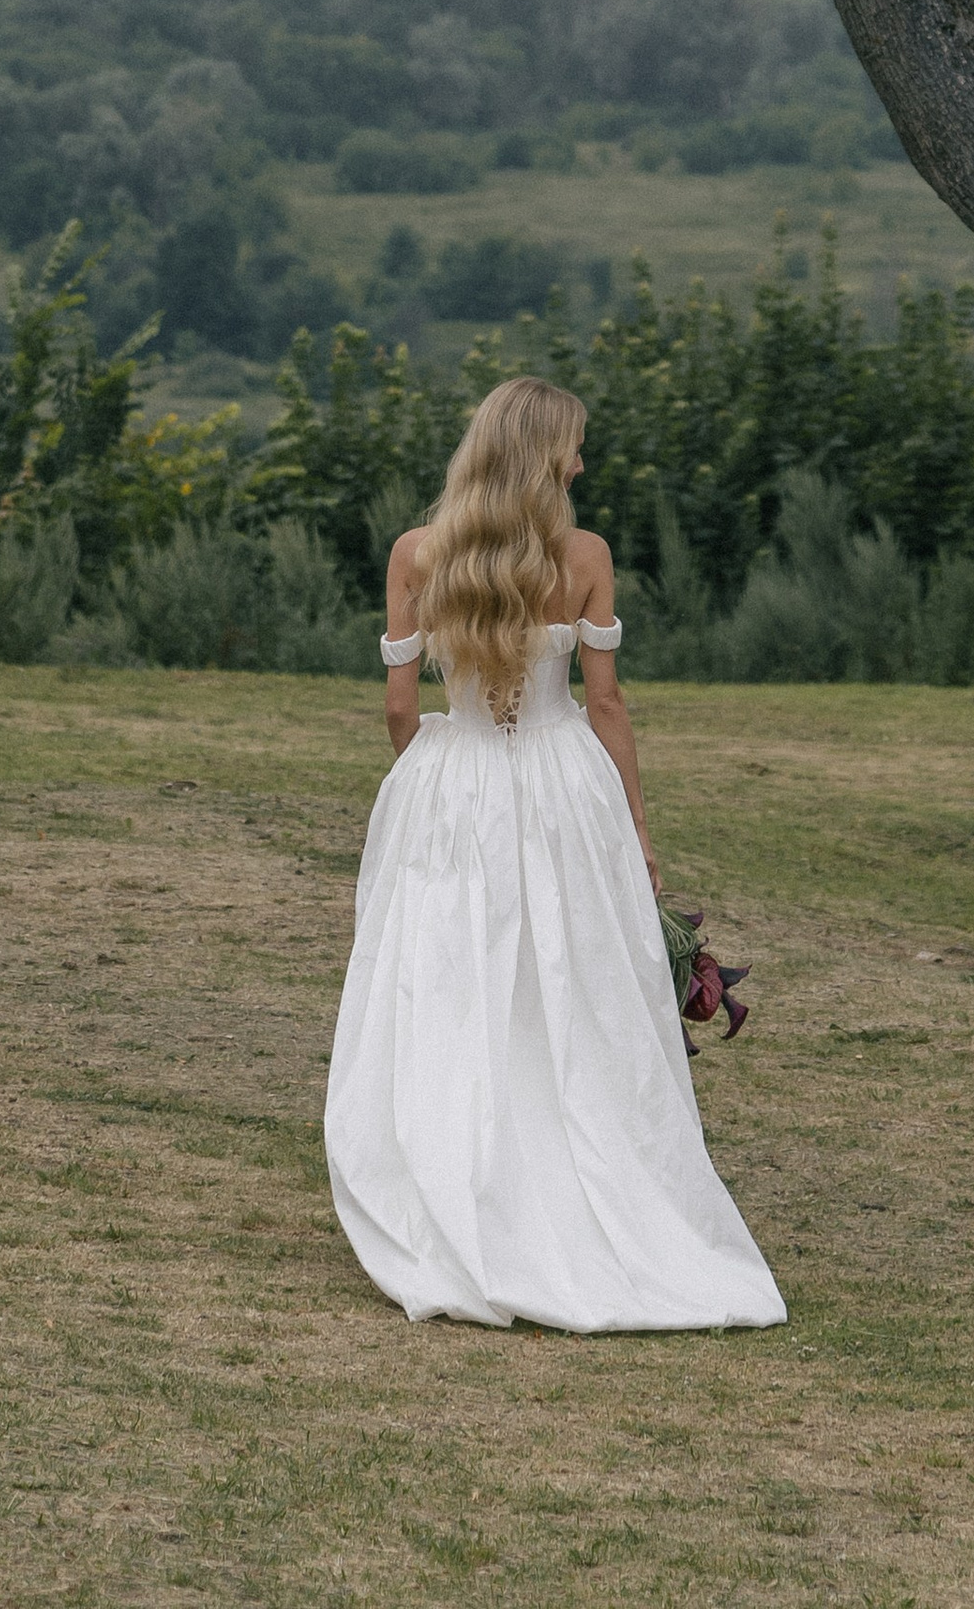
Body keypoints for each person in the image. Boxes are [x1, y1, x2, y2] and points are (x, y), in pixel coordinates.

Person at [323, 374, 786, 1333]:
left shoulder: (417, 554)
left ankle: (457, 1180)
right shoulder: (584, 557)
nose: (582, 461)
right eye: (574, 446)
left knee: (446, 980)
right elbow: (605, 701)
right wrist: (639, 830)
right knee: (569, 979)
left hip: (451, 781)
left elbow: (400, 706)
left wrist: (433, 786)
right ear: (543, 456)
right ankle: (582, 1175)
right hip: (562, 780)